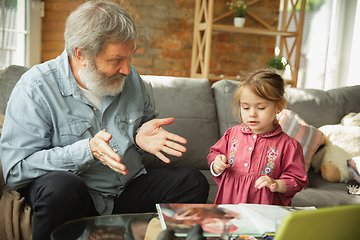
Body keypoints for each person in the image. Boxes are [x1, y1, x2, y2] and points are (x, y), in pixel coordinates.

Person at [0, 1, 209, 239]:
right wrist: (87, 151)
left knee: (192, 181)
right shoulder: (36, 87)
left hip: (126, 190)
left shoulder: (131, 80)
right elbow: (16, 170)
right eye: (115, 60)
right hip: (77, 197)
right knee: (61, 188)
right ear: (81, 54)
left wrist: (141, 136)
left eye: (130, 58)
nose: (127, 70)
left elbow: (147, 128)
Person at [207, 69, 308, 206]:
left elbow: (297, 179)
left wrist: (277, 184)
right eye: (246, 108)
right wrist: (216, 164)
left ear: (278, 107)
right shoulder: (232, 134)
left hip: (265, 208)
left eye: (261, 108)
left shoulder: (288, 145)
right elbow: (214, 154)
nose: (252, 114)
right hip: (229, 203)